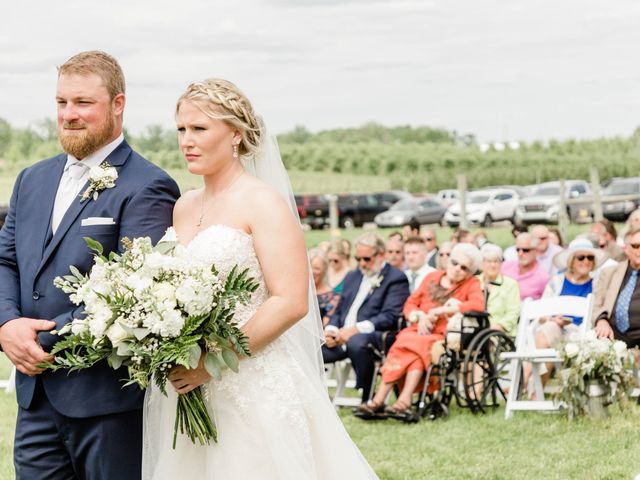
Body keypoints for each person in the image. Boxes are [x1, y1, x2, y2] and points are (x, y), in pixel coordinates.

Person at [143, 78, 378, 479]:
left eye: (200, 129)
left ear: (235, 134)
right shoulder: (183, 207)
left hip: (250, 382)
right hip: (187, 386)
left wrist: (212, 364)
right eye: (182, 129)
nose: (187, 141)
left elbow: (290, 302)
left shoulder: (262, 201)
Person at [0, 51, 180, 479]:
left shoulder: (148, 185)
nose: (69, 115)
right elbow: (5, 260)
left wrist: (40, 341)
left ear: (118, 105)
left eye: (83, 103)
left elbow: (135, 290)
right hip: (36, 398)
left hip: (106, 401)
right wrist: (7, 324)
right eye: (61, 102)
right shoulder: (31, 179)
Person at [358, 243, 484, 418]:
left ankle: (383, 399)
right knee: (406, 344)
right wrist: (419, 316)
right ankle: (399, 399)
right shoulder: (432, 277)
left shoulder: (471, 283)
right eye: (455, 263)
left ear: (470, 272)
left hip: (442, 334)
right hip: (418, 329)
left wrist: (444, 310)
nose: (457, 269)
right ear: (447, 261)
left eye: (464, 268)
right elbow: (410, 303)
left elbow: (478, 305)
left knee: (414, 345)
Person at [322, 233, 409, 403]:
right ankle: (315, 396)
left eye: (367, 259)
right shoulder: (352, 276)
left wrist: (354, 330)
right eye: (358, 258)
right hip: (340, 336)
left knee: (357, 342)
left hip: (375, 335)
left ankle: (367, 394)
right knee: (312, 346)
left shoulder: (396, 278)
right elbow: (339, 310)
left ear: (381, 254)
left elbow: (390, 316)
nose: (362, 263)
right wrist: (331, 331)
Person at [524, 237, 606, 391]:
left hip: (582, 334)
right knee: (548, 330)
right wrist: (554, 319)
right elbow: (541, 313)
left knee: (546, 340)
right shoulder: (557, 282)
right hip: (555, 329)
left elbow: (600, 312)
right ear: (571, 261)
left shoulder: (597, 284)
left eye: (590, 257)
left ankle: (526, 382)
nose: (586, 261)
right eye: (581, 257)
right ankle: (531, 385)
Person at [593, 226, 640, 349]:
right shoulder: (609, 273)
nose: (639, 251)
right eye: (635, 246)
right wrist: (601, 320)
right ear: (626, 249)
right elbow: (596, 303)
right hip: (612, 337)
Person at [478, 244, 520, 336]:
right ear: (482, 263)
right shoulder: (474, 282)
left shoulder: (510, 284)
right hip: (476, 330)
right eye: (489, 261)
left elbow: (513, 313)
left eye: (496, 261)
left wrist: (499, 326)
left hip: (500, 334)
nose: (493, 265)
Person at [501, 233, 550, 300]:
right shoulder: (505, 266)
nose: (520, 254)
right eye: (518, 250)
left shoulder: (543, 277)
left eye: (525, 250)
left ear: (536, 251)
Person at [309, 248, 340, 326]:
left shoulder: (334, 297)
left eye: (317, 268)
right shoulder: (297, 294)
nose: (311, 272)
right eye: (309, 267)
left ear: (325, 270)